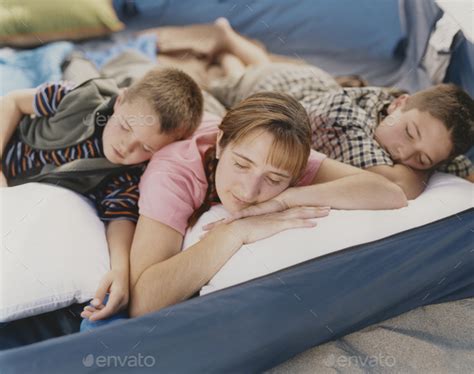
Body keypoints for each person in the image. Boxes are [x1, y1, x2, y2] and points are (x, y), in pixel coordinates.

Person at [80, 91, 407, 321]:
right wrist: (233, 233)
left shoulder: (281, 156)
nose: (250, 191)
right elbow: (144, 301)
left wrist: (285, 199)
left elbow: (389, 193)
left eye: (275, 178)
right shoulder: (173, 172)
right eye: (241, 164)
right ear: (222, 144)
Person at [145, 19, 474, 199]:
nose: (404, 153)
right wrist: (423, 168)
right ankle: (226, 38)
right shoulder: (347, 120)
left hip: (317, 86)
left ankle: (230, 46)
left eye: (423, 159)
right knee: (234, 82)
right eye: (410, 132)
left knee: (250, 68)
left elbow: (462, 168)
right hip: (287, 89)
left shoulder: (423, 138)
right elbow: (395, 186)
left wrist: (435, 162)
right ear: (399, 103)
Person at [0, 67, 204, 322]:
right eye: (126, 126)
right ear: (120, 100)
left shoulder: (125, 176)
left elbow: (119, 220)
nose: (126, 146)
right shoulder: (79, 96)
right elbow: (11, 102)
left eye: (146, 147)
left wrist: (120, 270)